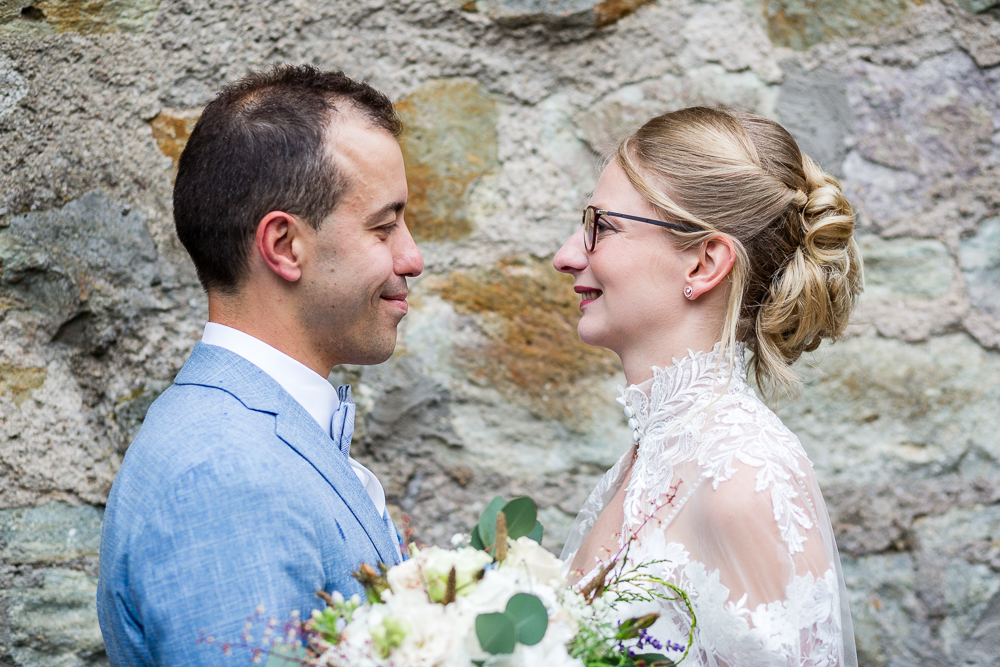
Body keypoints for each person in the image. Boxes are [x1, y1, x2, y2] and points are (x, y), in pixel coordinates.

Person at [97, 65, 423, 666]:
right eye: (384, 226)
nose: (413, 256)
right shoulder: (225, 476)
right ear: (283, 246)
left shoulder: (250, 434)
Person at [555, 107, 861, 666]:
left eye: (603, 226)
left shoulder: (742, 471)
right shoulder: (656, 453)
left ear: (703, 262)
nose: (566, 255)